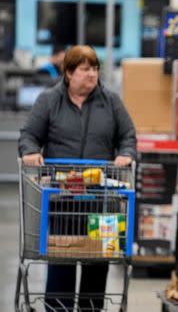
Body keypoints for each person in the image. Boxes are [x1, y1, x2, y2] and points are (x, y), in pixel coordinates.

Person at [18, 45, 136, 311]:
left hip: (99, 201)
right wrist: (31, 152)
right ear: (68, 73)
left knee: (97, 264)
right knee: (62, 264)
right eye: (85, 69)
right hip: (62, 202)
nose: (92, 75)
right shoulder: (49, 101)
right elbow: (29, 135)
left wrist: (126, 154)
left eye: (95, 69)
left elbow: (128, 136)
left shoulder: (112, 102)